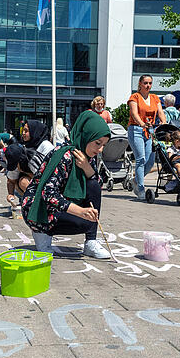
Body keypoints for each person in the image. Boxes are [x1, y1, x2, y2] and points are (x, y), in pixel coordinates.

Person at [23, 110, 112, 259]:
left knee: (93, 187)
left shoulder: (87, 157)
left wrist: (87, 168)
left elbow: (98, 187)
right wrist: (80, 211)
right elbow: (48, 193)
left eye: (103, 145)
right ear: (85, 135)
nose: (100, 149)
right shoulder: (63, 155)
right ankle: (41, 233)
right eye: (98, 143)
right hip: (39, 210)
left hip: (59, 209)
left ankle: (91, 242)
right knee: (85, 219)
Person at [127, 75, 166, 198]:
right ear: (140, 84)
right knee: (141, 159)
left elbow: (160, 113)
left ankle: (135, 180)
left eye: (150, 83)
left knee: (149, 162)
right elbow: (134, 113)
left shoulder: (154, 98)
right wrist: (142, 123)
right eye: (145, 83)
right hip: (136, 129)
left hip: (150, 131)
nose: (148, 85)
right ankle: (141, 189)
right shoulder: (135, 97)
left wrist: (163, 123)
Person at [4, 119, 54, 205]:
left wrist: (25, 172)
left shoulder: (46, 146)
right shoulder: (24, 149)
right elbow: (11, 179)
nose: (23, 133)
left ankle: (39, 204)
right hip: (34, 184)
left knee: (23, 181)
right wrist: (10, 194)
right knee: (21, 181)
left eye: (26, 131)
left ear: (35, 132)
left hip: (48, 185)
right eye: (22, 130)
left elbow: (47, 177)